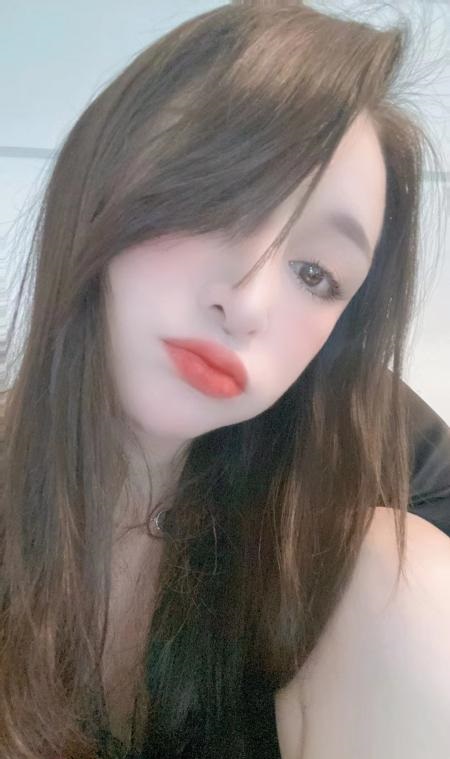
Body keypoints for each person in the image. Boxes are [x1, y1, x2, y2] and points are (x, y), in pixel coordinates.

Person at [1, 2, 449, 758]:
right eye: (219, 202)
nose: (246, 303)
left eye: (315, 273)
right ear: (99, 180)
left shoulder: (364, 559)